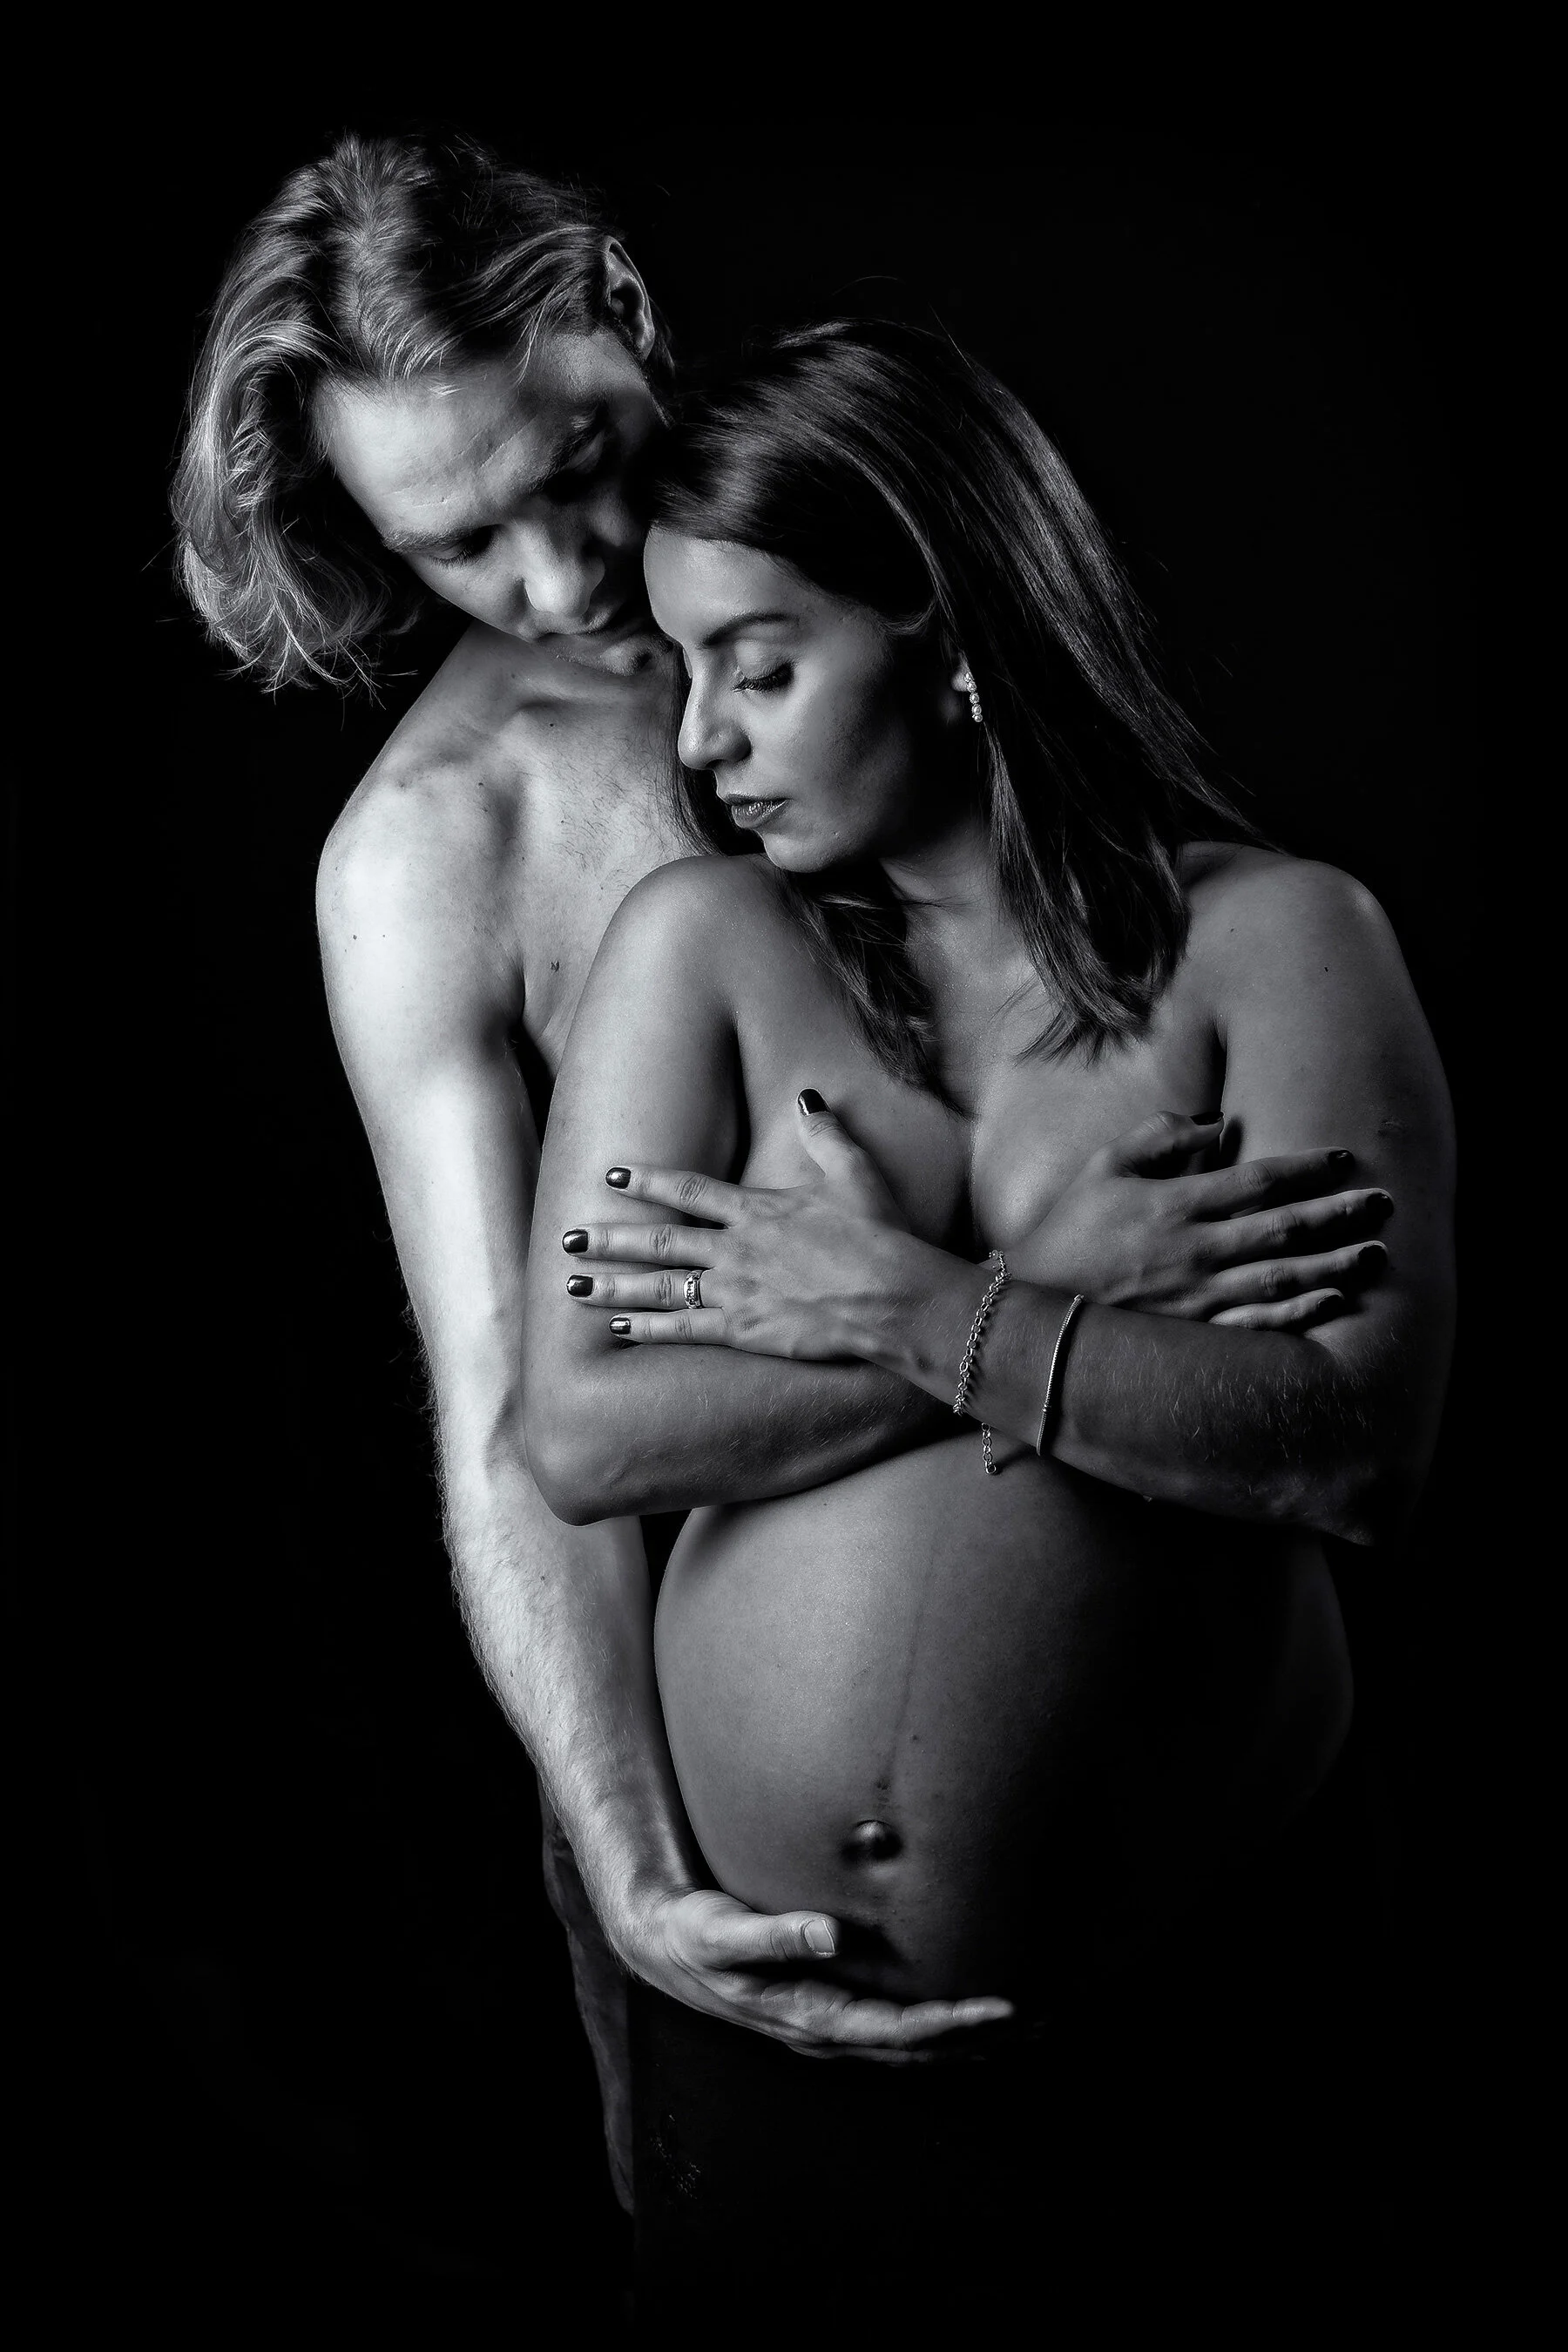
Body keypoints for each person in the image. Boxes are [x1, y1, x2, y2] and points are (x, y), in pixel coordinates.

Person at [172, 132, 1407, 2220]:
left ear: (624, 313)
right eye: (459, 544)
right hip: (749, 1858)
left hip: (1198, 1810)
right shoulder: (434, 852)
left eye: (576, 467)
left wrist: (1009, 1299)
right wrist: (629, 1858)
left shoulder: (907, 565)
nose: (562, 576)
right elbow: (515, 1417)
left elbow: (1205, 1082)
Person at [523, 320, 1455, 2318]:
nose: (701, 747)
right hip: (772, 2033)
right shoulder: (702, 952)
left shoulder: (1278, 944)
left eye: (760, 668)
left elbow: (1353, 1448)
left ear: (944, 629)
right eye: (684, 673)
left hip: (1192, 2025)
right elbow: (583, 1436)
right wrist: (1059, 1310)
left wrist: (916, 1305)